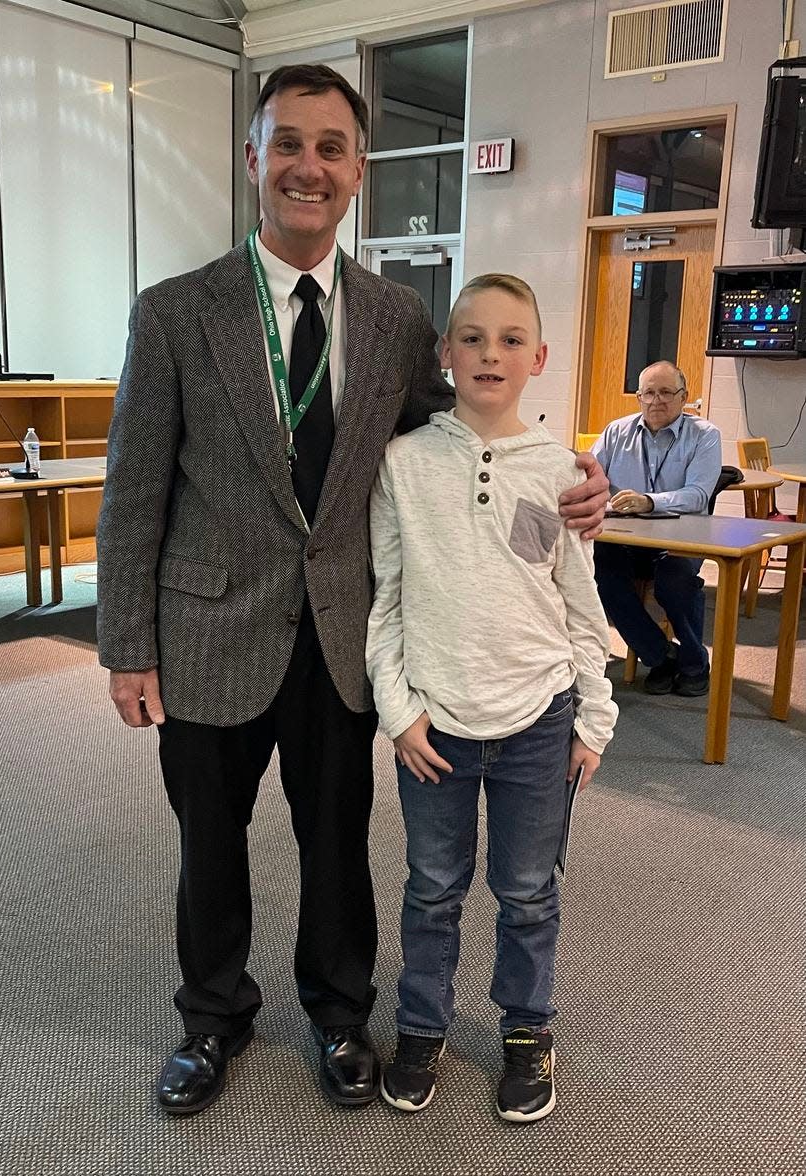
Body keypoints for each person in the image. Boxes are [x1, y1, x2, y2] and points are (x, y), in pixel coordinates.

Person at [96, 66, 609, 1117]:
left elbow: (466, 425)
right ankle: (211, 1018)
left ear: (358, 171)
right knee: (210, 847)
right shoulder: (174, 314)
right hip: (206, 633)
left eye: (332, 147)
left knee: (339, 842)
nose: (309, 166)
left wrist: (578, 478)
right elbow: (133, 491)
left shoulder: (394, 319)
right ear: (253, 161)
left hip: (341, 634)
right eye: (288, 143)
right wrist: (126, 644)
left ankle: (339, 1016)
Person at [366, 273, 618, 1122]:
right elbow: (386, 599)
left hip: (538, 722)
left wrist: (592, 716)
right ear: (444, 355)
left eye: (511, 340)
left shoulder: (559, 473)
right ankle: (421, 1026)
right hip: (434, 723)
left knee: (526, 892)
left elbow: (581, 610)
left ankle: (525, 1029)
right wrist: (397, 709)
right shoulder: (403, 463)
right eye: (470, 337)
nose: (489, 353)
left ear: (538, 359)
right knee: (431, 887)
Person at [591, 361, 722, 697]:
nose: (657, 400)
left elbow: (697, 495)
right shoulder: (615, 432)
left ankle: (694, 663)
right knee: (597, 570)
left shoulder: (705, 436)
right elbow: (590, 481)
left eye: (666, 392)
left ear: (684, 397)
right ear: (638, 396)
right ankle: (660, 655)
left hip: (681, 540)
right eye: (649, 393)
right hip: (625, 539)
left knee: (675, 581)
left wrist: (649, 501)